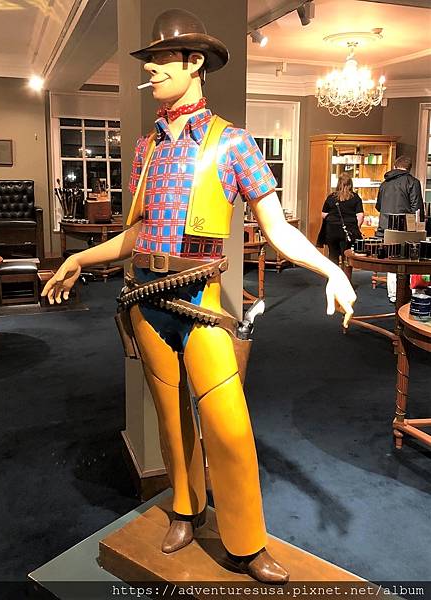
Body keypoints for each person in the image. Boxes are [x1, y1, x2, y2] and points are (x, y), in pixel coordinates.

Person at [42, 9, 356, 584]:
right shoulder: (147, 149)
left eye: (161, 59)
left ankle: (246, 543)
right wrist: (79, 258)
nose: (151, 70)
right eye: (150, 61)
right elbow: (137, 234)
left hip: (201, 299)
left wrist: (328, 268)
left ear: (194, 62)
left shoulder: (233, 143)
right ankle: (186, 508)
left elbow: (277, 228)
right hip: (147, 300)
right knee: (171, 420)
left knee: (229, 426)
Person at [376, 155, 425, 302]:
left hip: (385, 227)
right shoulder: (413, 182)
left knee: (392, 259)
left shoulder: (384, 184)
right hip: (405, 228)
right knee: (409, 260)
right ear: (409, 168)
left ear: (395, 166)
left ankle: (393, 294)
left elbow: (378, 206)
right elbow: (417, 208)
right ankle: (408, 293)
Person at [321, 173, 364, 265]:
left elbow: (323, 214)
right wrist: (356, 228)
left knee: (333, 255)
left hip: (332, 230)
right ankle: (346, 271)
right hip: (348, 230)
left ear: (338, 183)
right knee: (347, 254)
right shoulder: (355, 198)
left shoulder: (331, 197)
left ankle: (333, 272)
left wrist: (332, 219)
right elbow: (360, 215)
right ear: (350, 184)